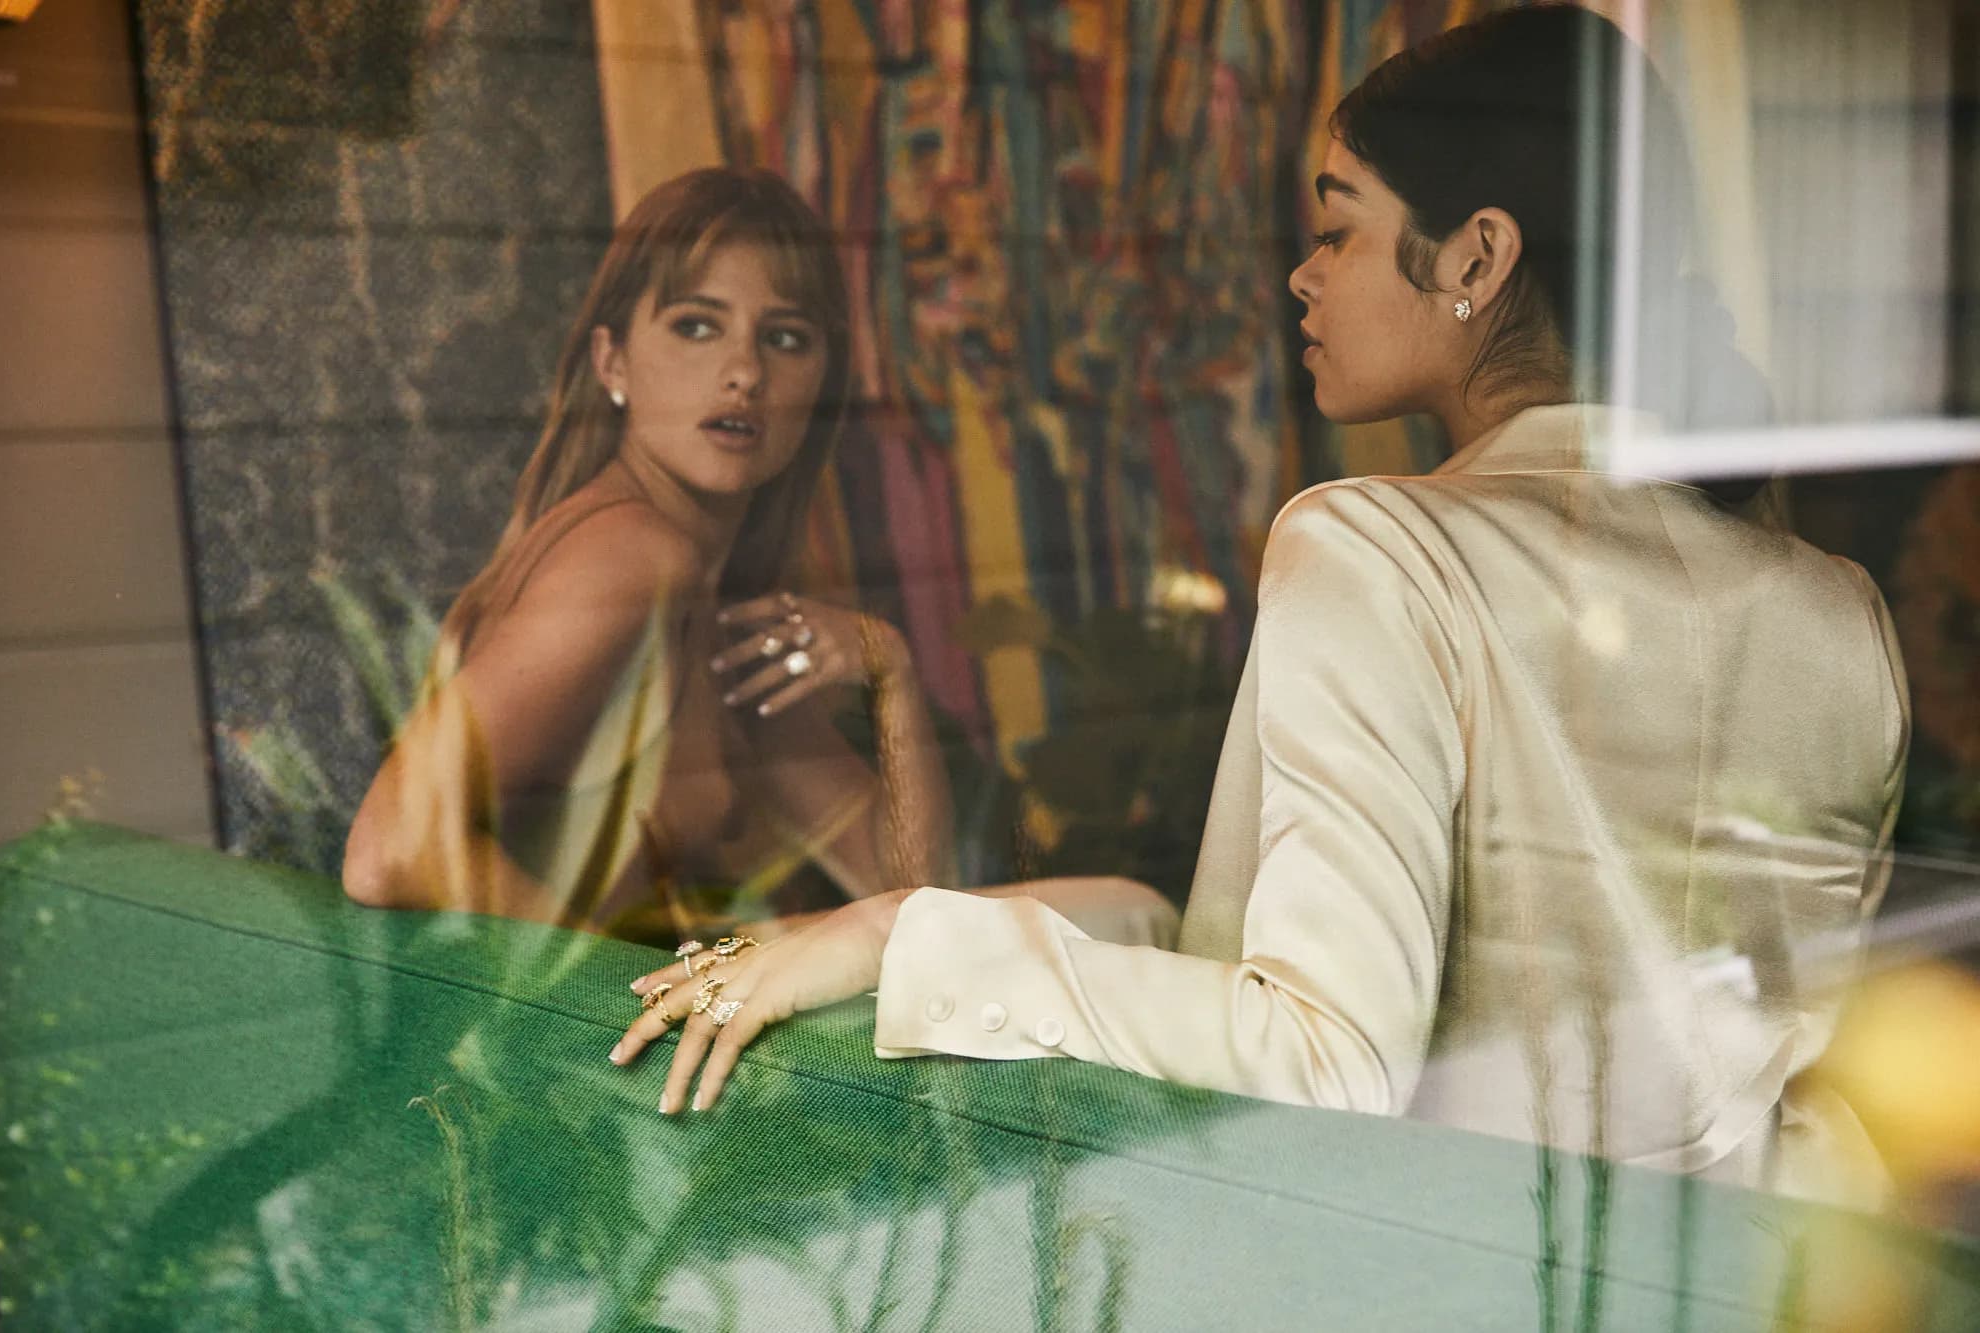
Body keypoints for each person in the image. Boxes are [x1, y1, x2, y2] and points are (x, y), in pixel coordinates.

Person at [608, 9, 1907, 1204]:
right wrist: (949, 920)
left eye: (1337, 226)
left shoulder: (1377, 547)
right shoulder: (1840, 613)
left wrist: (909, 944)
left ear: (1478, 255)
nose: (1302, 274)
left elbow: (1326, 1062)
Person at [342, 167, 956, 941]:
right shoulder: (630, 556)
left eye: (786, 338)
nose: (745, 372)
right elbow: (389, 846)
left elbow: (919, 904)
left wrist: (888, 663)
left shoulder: (713, 599)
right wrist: (636, 996)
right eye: (696, 326)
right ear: (613, 362)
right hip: (559, 1055)